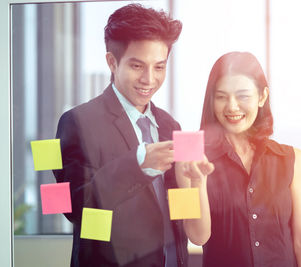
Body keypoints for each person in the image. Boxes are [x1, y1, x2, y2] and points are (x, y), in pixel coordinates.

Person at [53, 4, 188, 267]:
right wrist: (138, 164)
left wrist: (196, 187)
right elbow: (71, 206)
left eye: (159, 67)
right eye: (137, 66)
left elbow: (181, 212)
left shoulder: (171, 126)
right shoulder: (76, 122)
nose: (149, 79)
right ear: (112, 62)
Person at [175, 52, 301, 267]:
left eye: (243, 96)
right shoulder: (186, 157)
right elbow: (196, 236)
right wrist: (198, 182)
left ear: (262, 97)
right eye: (222, 97)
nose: (232, 107)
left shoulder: (295, 160)